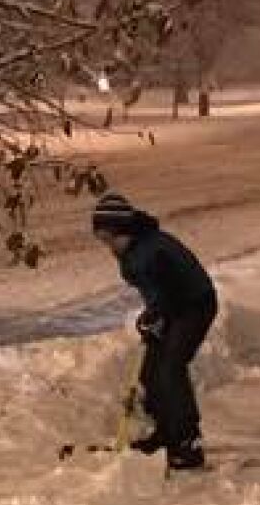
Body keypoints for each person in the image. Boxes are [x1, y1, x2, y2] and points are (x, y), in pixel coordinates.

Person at [91, 194, 218, 471]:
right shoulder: (135, 248)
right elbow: (157, 293)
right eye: (103, 241)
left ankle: (187, 441)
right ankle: (165, 432)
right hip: (173, 307)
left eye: (110, 239)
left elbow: (171, 290)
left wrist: (157, 315)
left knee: (171, 367)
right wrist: (153, 315)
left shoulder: (152, 252)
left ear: (123, 230)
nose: (108, 247)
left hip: (195, 305)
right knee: (150, 370)